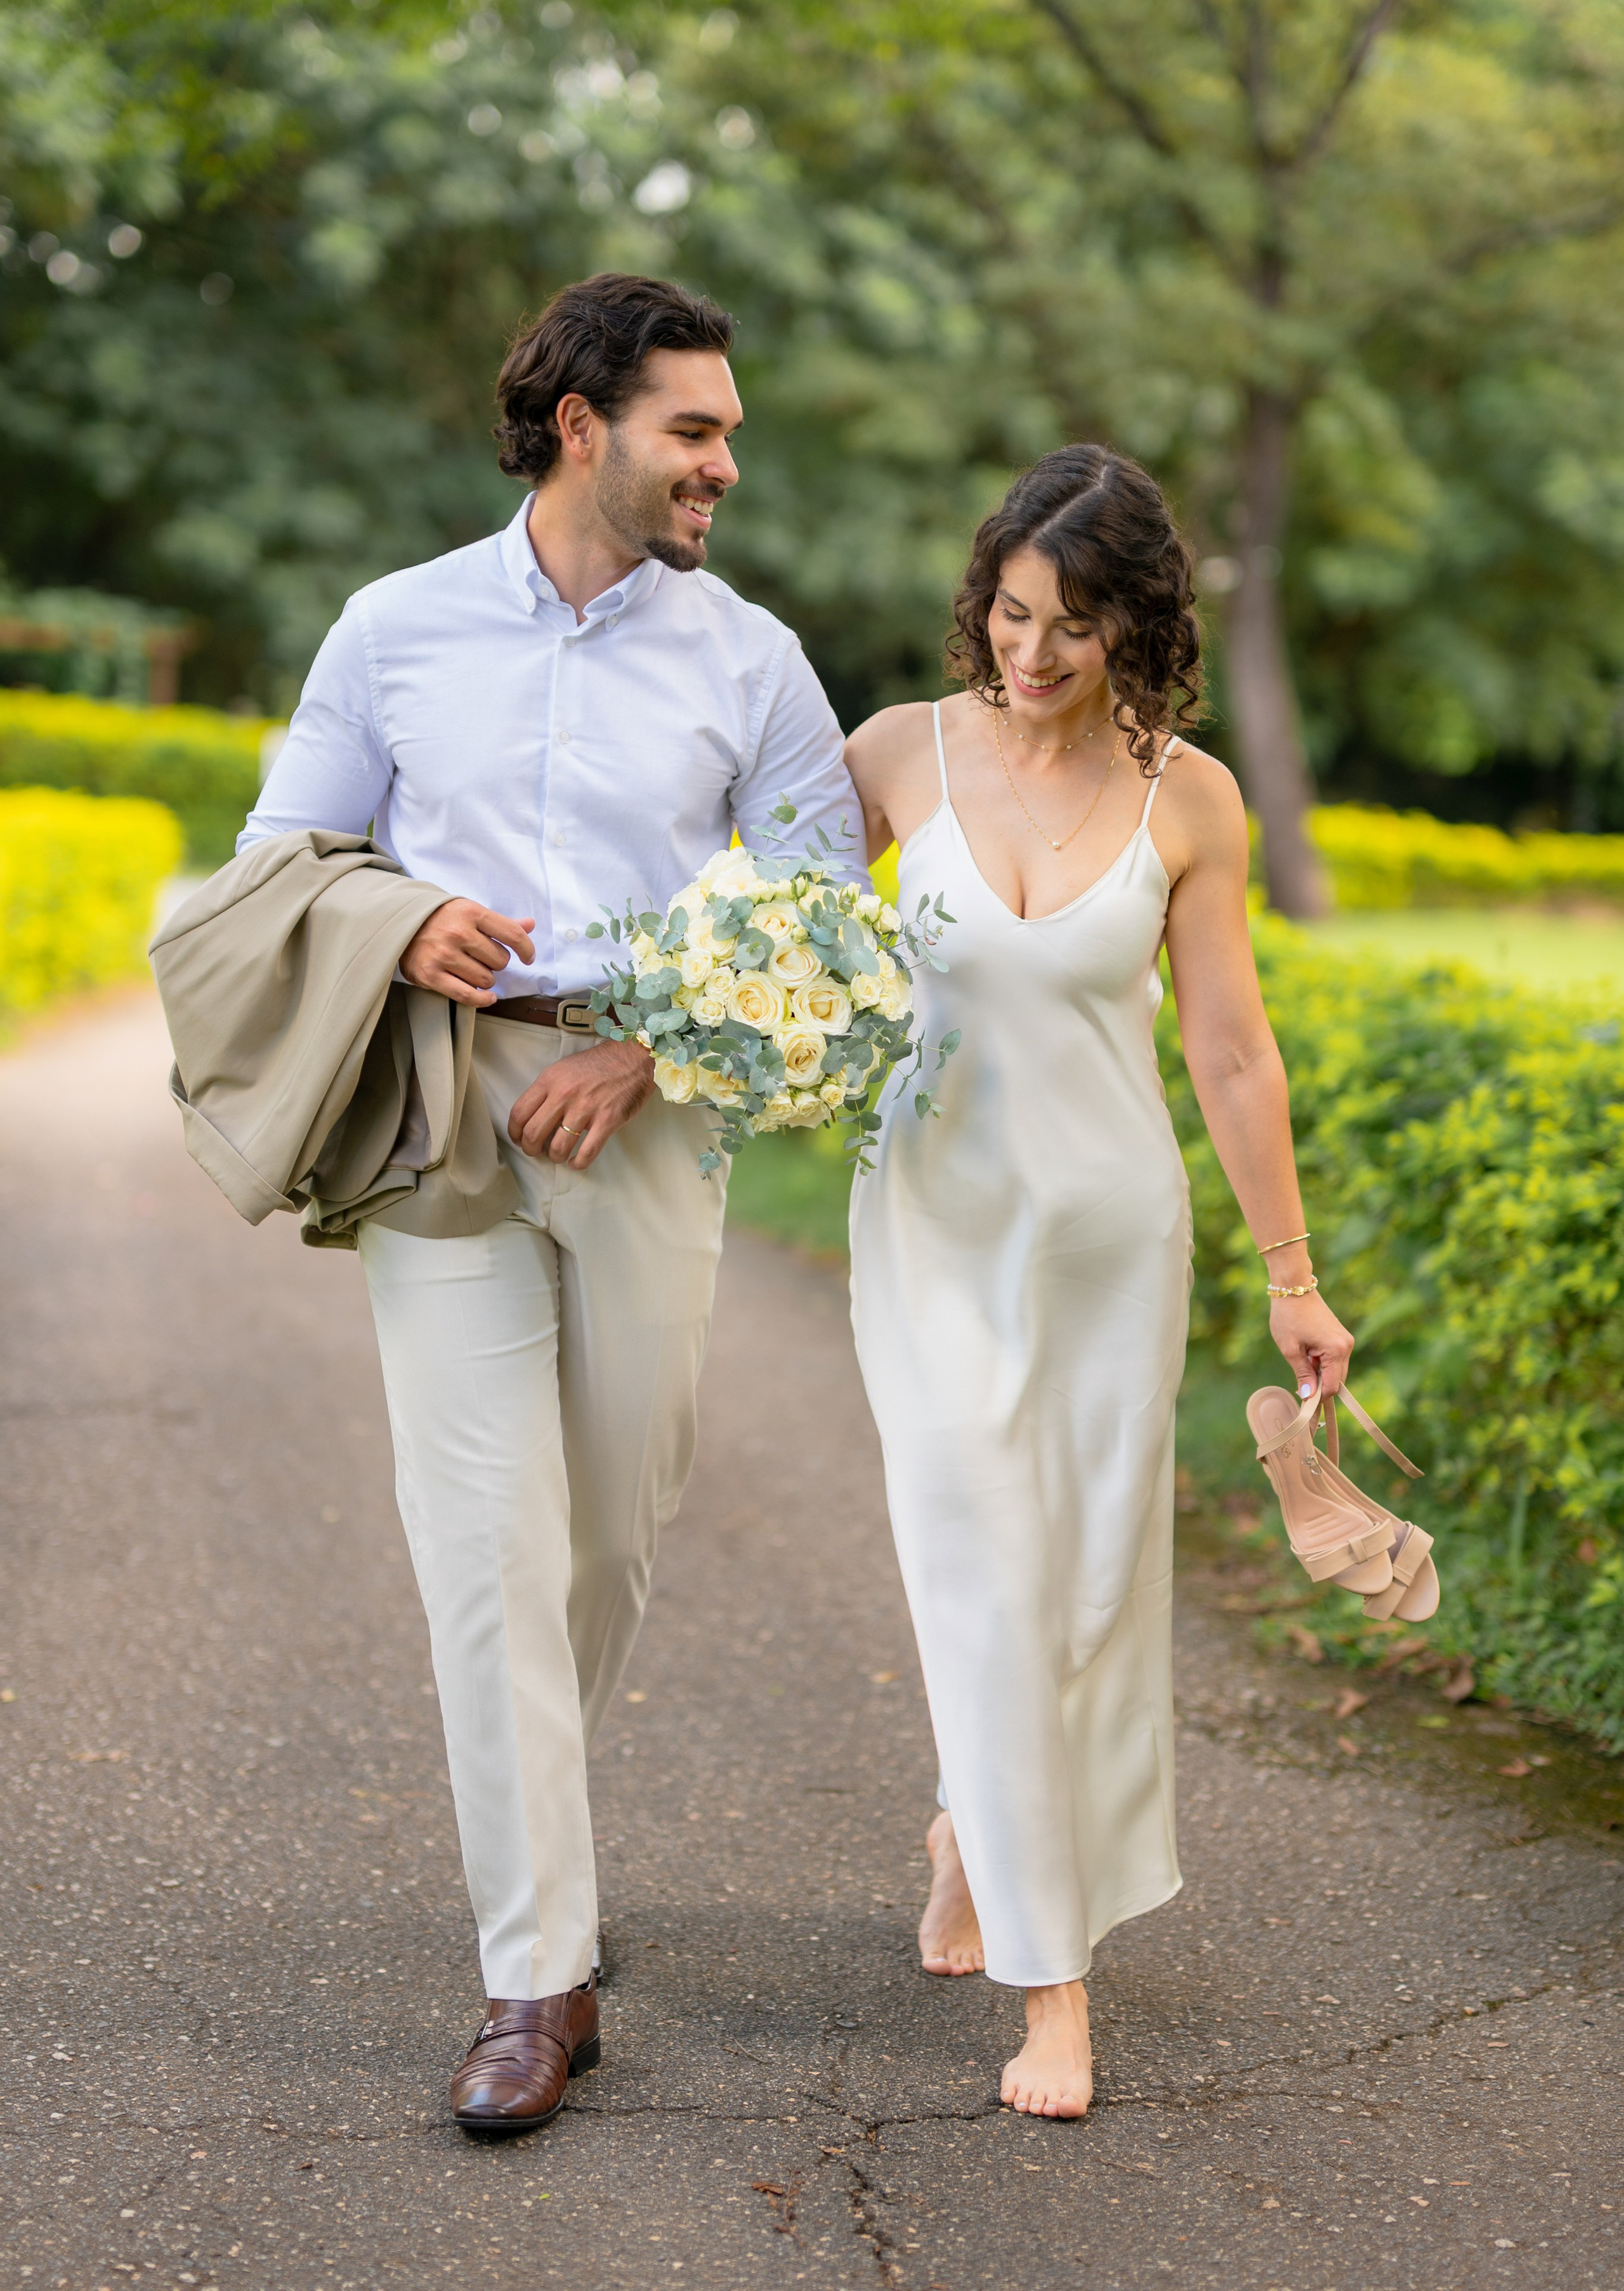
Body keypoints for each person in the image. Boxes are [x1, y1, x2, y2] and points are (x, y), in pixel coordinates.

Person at [240, 272, 862, 2133]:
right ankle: (537, 1980)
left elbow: (829, 912)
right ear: (581, 422)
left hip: (646, 1115)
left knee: (606, 1537)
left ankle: (547, 1850)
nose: (725, 465)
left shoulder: (747, 656)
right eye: (696, 428)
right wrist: (394, 914)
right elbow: (287, 851)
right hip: (442, 1108)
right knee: (485, 1549)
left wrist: (658, 1053)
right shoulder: (397, 625)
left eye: (728, 432)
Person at [843, 445, 1354, 2122]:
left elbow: (1228, 1045)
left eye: (1071, 626)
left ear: (1136, 625)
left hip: (1109, 1244)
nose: (1033, 655)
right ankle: (1054, 1998)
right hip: (927, 1234)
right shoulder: (890, 759)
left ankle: (968, 1830)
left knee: (1078, 1598)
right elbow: (765, 944)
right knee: (981, 1571)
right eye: (1011, 612)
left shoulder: (1188, 796)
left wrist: (1294, 1274)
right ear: (981, 598)